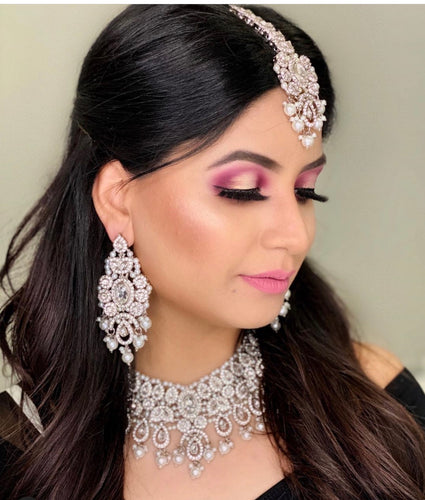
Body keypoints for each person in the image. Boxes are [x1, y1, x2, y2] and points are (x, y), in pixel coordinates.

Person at [0, 4, 424, 499]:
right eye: (242, 190)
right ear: (119, 199)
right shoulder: (27, 450)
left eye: (305, 191)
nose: (295, 234)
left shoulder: (372, 401)